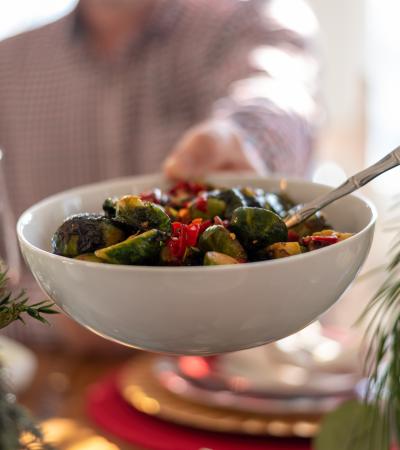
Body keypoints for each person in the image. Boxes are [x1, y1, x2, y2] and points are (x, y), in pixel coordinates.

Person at [0, 0, 318, 349]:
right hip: (65, 376)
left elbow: (277, 92)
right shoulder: (8, 65)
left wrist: (244, 140)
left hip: (247, 362)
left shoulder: (246, 15)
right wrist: (63, 316)